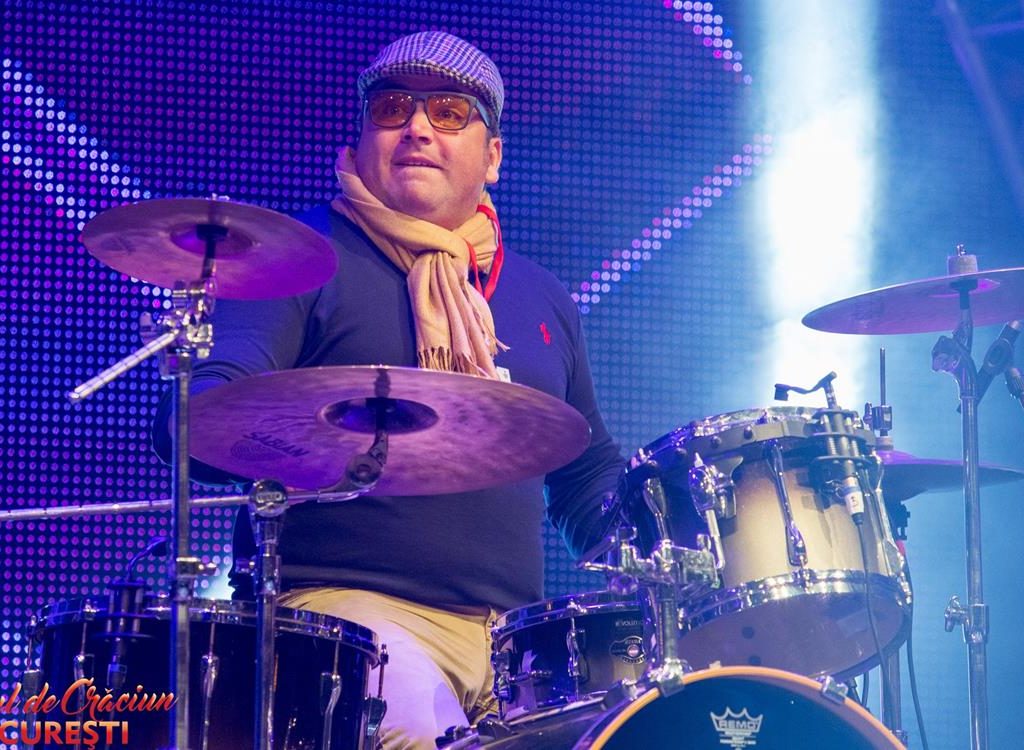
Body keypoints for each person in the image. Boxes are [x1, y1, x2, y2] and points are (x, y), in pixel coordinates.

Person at [157, 30, 624, 749]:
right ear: (361, 135)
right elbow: (208, 412)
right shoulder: (300, 259)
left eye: (449, 112)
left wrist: (675, 545)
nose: (417, 128)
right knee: (420, 735)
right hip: (342, 614)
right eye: (393, 108)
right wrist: (323, 442)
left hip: (517, 642)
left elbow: (586, 475)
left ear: (492, 156)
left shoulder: (541, 298)